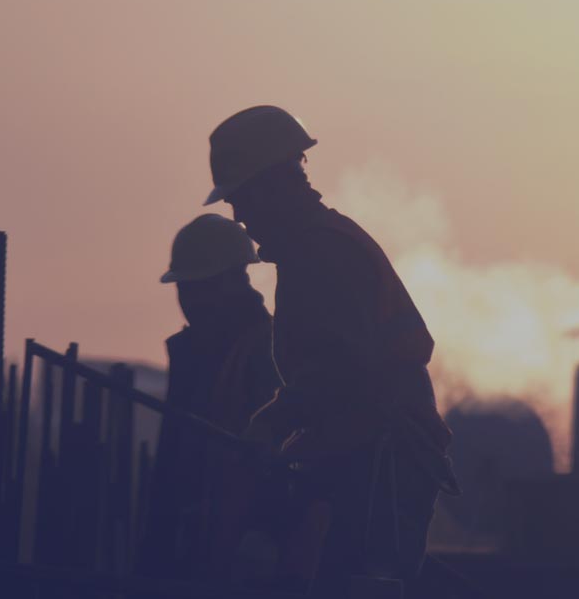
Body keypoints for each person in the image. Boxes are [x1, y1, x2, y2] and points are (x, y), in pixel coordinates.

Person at [204, 105, 457, 595]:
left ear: (271, 187)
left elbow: (340, 372)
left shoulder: (320, 255)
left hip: (382, 464)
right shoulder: (315, 249)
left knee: (358, 583)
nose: (238, 217)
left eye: (240, 201)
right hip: (371, 457)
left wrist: (271, 423)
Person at [140, 213, 285, 583]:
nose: (187, 302)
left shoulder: (268, 354)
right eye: (183, 289)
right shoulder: (197, 354)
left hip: (249, 552)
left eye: (196, 288)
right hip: (199, 547)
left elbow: (281, 467)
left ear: (234, 281)